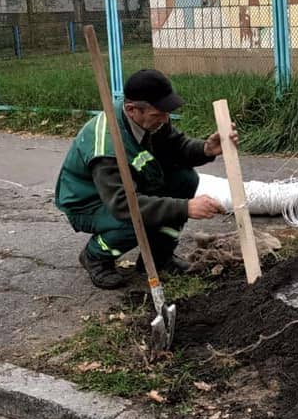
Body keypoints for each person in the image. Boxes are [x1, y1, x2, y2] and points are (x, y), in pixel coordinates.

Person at [55, 69, 232, 289]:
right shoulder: (106, 147)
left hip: (131, 188)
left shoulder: (151, 119)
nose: (166, 119)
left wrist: (206, 149)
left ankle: (161, 257)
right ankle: (96, 256)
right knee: (135, 222)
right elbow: (123, 205)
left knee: (185, 179)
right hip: (90, 202)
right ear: (132, 110)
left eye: (166, 113)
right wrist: (185, 208)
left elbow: (177, 146)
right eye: (158, 115)